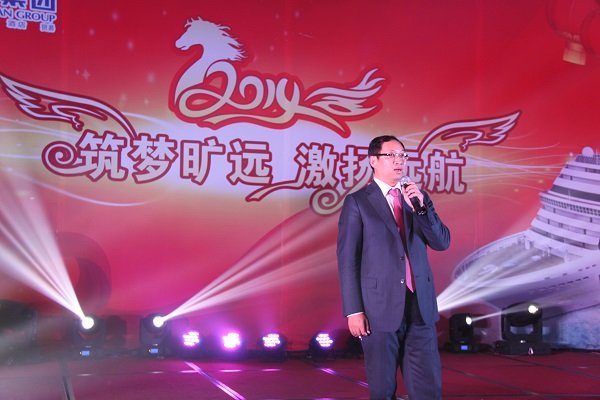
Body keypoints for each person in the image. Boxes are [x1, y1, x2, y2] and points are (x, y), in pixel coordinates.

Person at [337, 135, 451, 400]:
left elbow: (442, 242)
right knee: (382, 389)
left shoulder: (417, 198)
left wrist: (421, 210)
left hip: (419, 306)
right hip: (379, 308)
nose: (399, 161)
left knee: (428, 389)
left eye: (402, 155)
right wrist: (354, 310)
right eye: (391, 155)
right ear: (373, 160)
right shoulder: (358, 202)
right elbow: (348, 259)